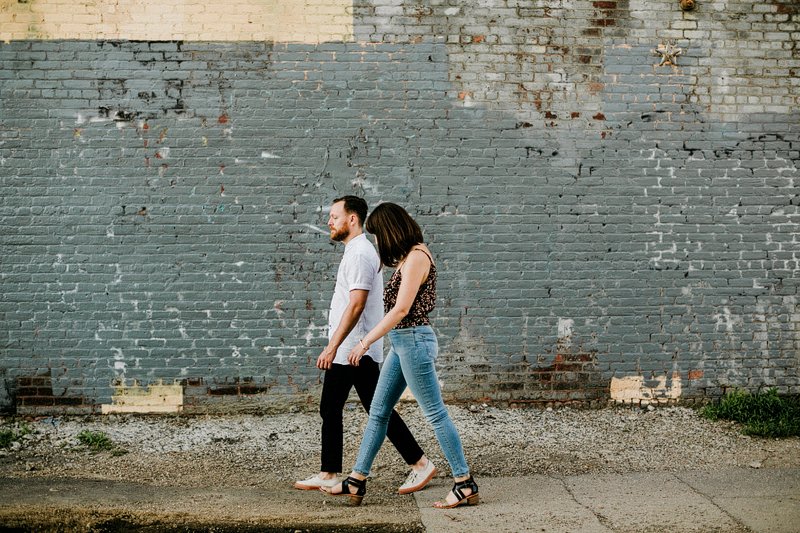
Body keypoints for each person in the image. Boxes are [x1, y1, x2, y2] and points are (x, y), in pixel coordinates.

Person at [322, 202, 479, 509]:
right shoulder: (408, 258)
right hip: (402, 343)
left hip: (414, 343)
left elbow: (402, 309)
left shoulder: (418, 256)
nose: (379, 242)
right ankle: (356, 480)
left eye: (379, 235)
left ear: (391, 229)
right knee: (379, 411)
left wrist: (365, 342)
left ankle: (464, 482)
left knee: (434, 412)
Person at [294, 196, 436, 496]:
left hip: (353, 350)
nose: (329, 222)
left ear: (352, 219)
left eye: (334, 216)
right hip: (352, 347)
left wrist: (334, 346)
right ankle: (331, 472)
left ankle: (420, 463)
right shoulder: (357, 251)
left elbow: (357, 303)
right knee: (339, 406)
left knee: (373, 409)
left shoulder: (360, 253)